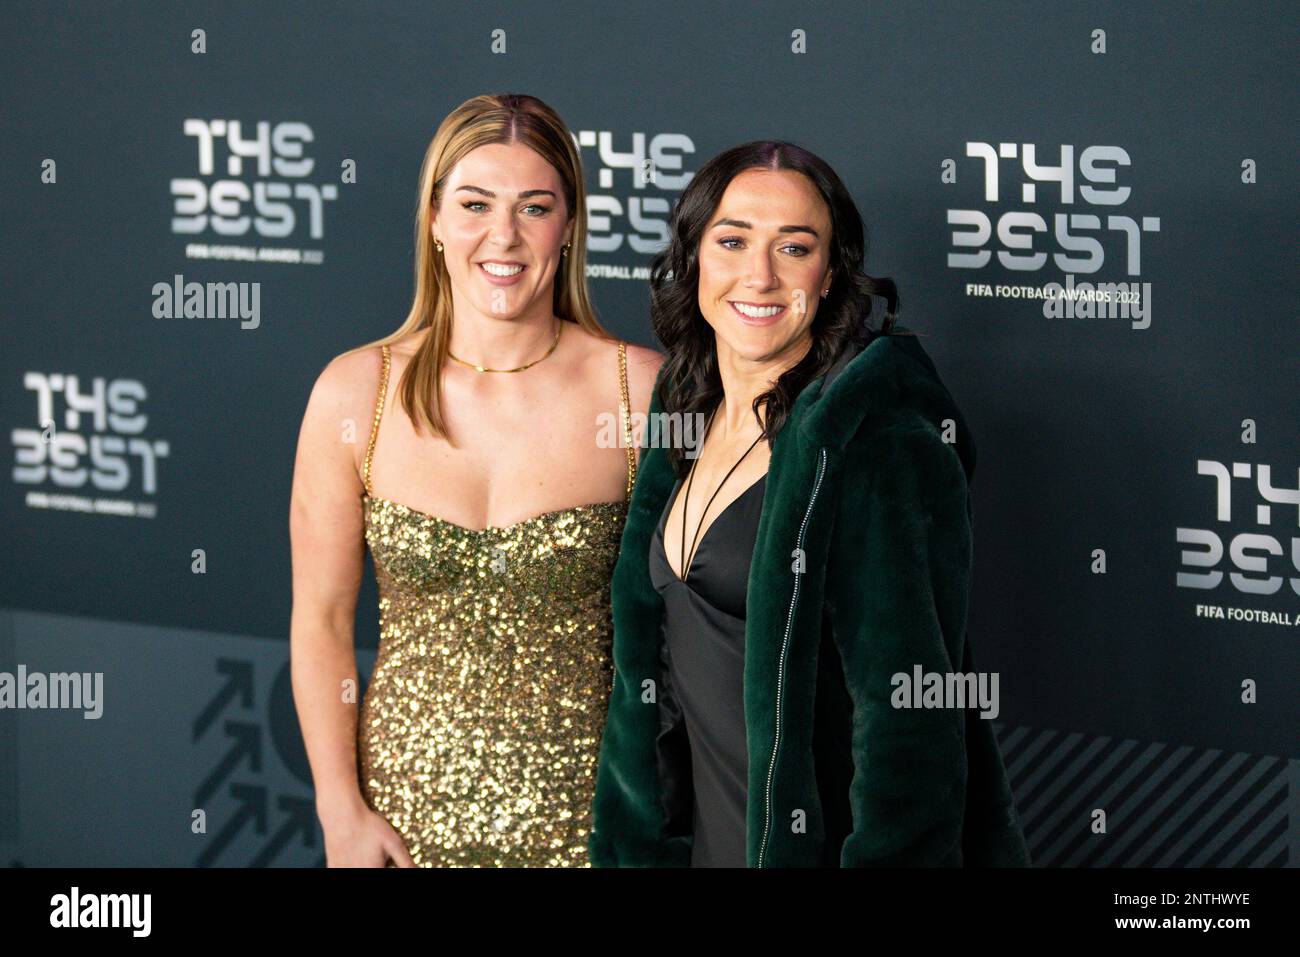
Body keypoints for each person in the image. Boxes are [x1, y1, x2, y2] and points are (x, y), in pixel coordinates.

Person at [588, 140, 1031, 867]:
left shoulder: (875, 438)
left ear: (829, 276)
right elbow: (659, 678)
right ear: (695, 256)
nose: (758, 275)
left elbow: (909, 728)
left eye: (794, 248)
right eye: (732, 241)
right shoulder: (685, 407)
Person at [289, 93, 662, 867]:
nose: (505, 235)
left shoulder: (640, 392)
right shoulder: (354, 392)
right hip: (399, 824)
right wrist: (340, 809)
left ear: (569, 224)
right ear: (433, 218)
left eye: (535, 206)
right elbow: (322, 620)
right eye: (474, 203)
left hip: (594, 826)